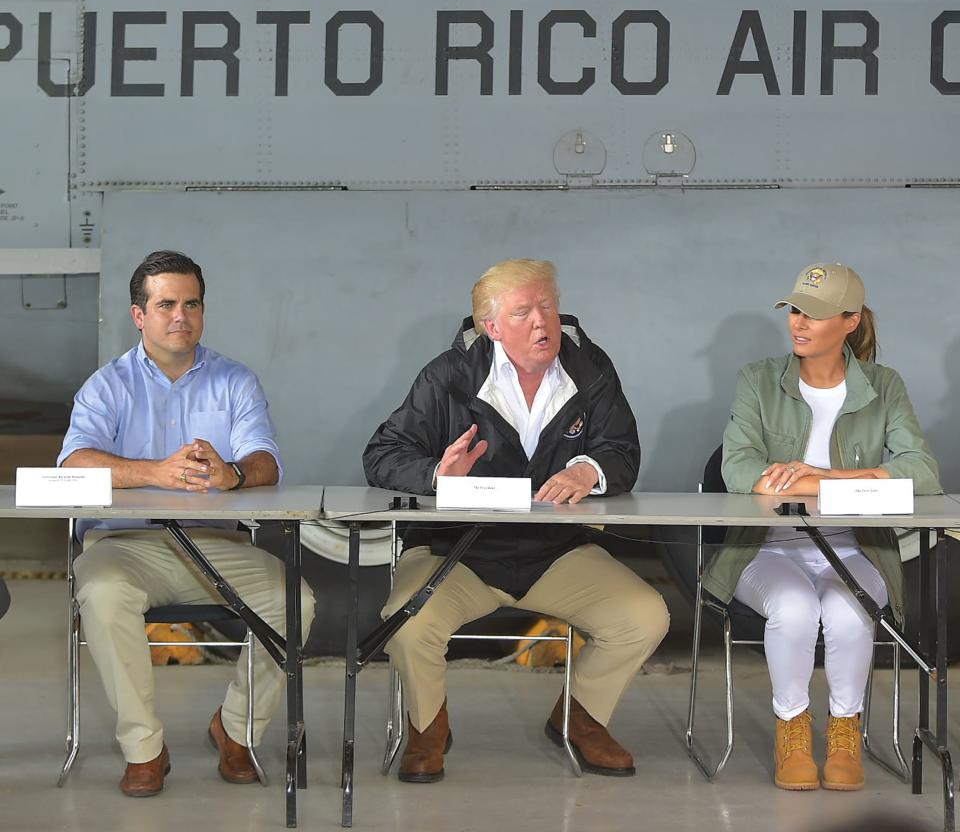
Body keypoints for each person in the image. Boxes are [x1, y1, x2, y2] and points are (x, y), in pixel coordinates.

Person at [363, 258, 669, 783]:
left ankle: (581, 718)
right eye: (523, 311)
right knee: (409, 624)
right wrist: (438, 474)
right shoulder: (449, 375)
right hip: (456, 552)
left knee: (645, 615)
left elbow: (622, 450)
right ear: (492, 327)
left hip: (553, 552)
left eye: (547, 305)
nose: (541, 322)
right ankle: (427, 728)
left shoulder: (590, 368)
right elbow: (383, 453)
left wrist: (588, 469)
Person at [58, 250, 316, 797]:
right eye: (166, 304)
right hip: (125, 547)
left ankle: (237, 729)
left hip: (214, 544)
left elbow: (267, 462)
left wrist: (231, 475)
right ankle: (144, 750)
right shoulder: (108, 385)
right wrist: (155, 472)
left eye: (192, 303)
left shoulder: (235, 381)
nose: (181, 316)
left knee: (296, 599)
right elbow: (73, 463)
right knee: (101, 593)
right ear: (138, 315)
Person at [703, 262, 941, 792]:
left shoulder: (884, 387)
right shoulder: (758, 380)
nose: (799, 322)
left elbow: (922, 473)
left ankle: (843, 733)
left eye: (816, 313)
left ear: (850, 321)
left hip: (858, 551)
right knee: (794, 607)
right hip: (764, 552)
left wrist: (822, 479)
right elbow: (737, 467)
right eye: (795, 309)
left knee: (849, 609)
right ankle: (791, 729)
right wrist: (828, 482)